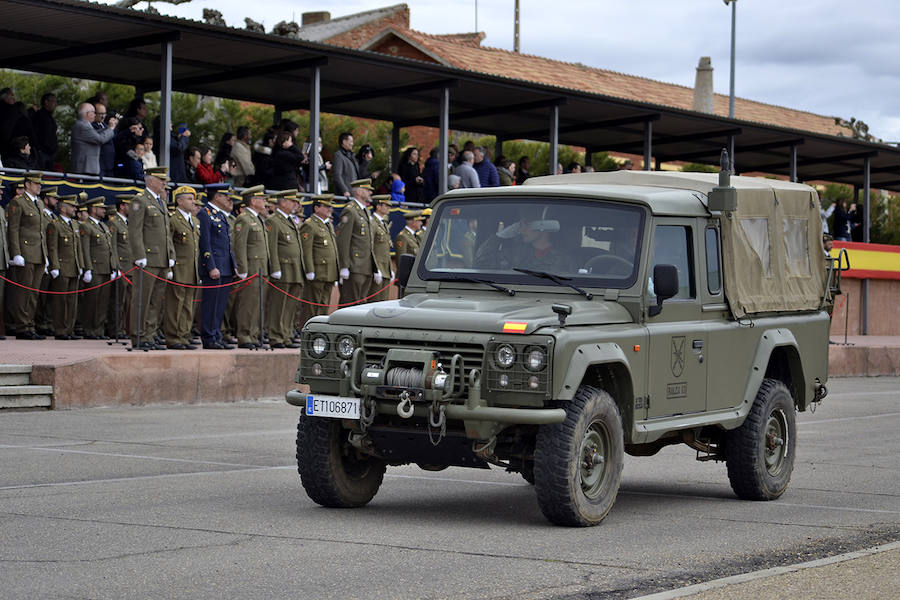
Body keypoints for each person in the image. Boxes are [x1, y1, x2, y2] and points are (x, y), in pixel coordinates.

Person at [128, 166, 176, 350]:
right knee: (142, 299)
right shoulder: (139, 200)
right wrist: (139, 255)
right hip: (148, 258)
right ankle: (139, 336)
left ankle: (150, 334)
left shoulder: (161, 202)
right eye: (161, 179)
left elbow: (166, 233)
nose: (164, 183)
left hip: (161, 259)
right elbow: (135, 231)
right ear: (149, 180)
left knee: (156, 301)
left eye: (165, 180)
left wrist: (170, 254)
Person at [6, 172, 48, 339]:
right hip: (25, 252)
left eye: (40, 184)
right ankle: (21, 326)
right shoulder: (18, 202)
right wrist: (16, 253)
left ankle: (29, 324)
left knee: (33, 292)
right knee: (23, 292)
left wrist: (46, 255)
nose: (39, 186)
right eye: (36, 183)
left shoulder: (39, 203)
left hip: (38, 253)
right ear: (28, 184)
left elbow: (41, 232)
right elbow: (13, 229)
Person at [197, 183, 238, 349]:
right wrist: (210, 266)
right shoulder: (205, 214)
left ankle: (216, 335)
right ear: (216, 196)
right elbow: (205, 243)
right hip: (214, 267)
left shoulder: (221, 215)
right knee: (211, 304)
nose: (227, 198)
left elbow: (227, 244)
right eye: (224, 195)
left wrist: (233, 264)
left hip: (225, 266)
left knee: (220, 305)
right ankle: (208, 337)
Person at [163, 186, 202, 350]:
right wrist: (170, 265)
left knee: (188, 305)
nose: (193, 202)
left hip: (192, 269)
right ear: (179, 201)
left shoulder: (195, 220)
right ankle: (173, 337)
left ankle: (184, 335)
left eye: (193, 199)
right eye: (189, 199)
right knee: (175, 305)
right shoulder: (173, 219)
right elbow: (168, 242)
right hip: (178, 268)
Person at [232, 185, 270, 349]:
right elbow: (239, 245)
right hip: (251, 268)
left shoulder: (258, 219)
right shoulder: (244, 218)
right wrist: (242, 269)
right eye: (262, 199)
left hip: (261, 268)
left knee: (257, 304)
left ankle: (254, 334)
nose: (265, 202)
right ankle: (245, 335)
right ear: (253, 201)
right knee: (248, 303)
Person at [265, 190, 304, 348]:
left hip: (294, 269)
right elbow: (272, 246)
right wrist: (275, 267)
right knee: (278, 306)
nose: (295, 204)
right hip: (283, 268)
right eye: (292, 201)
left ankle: (286, 334)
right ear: (283, 203)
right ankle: (276, 335)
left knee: (290, 306)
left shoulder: (289, 220)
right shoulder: (274, 221)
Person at [78, 196, 119, 339]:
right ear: (93, 209)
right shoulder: (86, 226)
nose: (104, 210)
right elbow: (85, 249)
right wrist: (87, 269)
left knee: (102, 302)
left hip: (106, 269)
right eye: (101, 208)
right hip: (95, 268)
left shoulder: (104, 226)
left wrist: (113, 267)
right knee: (92, 302)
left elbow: (110, 248)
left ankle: (99, 330)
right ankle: (89, 330)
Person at [47, 193, 85, 340]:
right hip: (62, 267)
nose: (75, 209)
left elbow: (78, 248)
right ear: (63, 209)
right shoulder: (55, 224)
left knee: (72, 301)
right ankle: (60, 330)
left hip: (74, 267)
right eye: (72, 206)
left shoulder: (74, 224)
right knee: (60, 301)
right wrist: (55, 266)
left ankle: (69, 329)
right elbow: (53, 248)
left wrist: (81, 265)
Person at [299, 194, 340, 324]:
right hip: (317, 271)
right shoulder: (310, 225)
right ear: (316, 208)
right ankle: (308, 329)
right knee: (312, 304)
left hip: (329, 272)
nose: (330, 209)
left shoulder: (328, 224)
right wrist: (309, 270)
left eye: (330, 206)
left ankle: (319, 330)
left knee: (324, 304)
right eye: (326, 206)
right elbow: (306, 250)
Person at [336, 178, 377, 305]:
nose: (370, 193)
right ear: (359, 192)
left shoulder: (366, 211)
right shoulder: (351, 210)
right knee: (350, 303)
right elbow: (343, 240)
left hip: (366, 266)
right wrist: (344, 266)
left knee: (361, 304)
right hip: (354, 266)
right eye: (367, 190)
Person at [106, 194, 133, 338]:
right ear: (122, 206)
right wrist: (115, 266)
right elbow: (113, 247)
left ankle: (126, 329)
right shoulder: (114, 223)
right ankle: (116, 329)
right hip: (121, 267)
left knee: (129, 302)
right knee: (118, 301)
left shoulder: (129, 223)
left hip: (131, 267)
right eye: (128, 205)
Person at [70, 103, 117, 175]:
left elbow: (96, 133)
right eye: (94, 113)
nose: (95, 115)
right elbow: (100, 139)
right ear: (88, 114)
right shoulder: (83, 126)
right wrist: (111, 128)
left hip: (87, 168)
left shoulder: (83, 124)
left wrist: (108, 128)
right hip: (85, 169)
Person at [369, 194, 394, 302]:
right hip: (377, 267)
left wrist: (390, 269)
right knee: (374, 301)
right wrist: (375, 269)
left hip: (385, 269)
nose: (388, 207)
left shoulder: (383, 223)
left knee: (383, 301)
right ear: (378, 207)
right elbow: (370, 247)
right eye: (385, 205)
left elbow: (385, 248)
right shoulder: (372, 222)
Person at [29, 93, 57, 170]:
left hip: (49, 154)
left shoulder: (49, 117)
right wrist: (39, 149)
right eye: (53, 101)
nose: (55, 104)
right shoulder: (39, 115)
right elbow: (34, 133)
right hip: (41, 154)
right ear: (46, 102)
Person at [331, 131, 358, 197]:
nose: (352, 144)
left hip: (353, 194)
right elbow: (337, 175)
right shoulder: (339, 155)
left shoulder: (351, 156)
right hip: (345, 196)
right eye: (351, 141)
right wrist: (344, 190)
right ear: (344, 142)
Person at [93, 104, 116, 178]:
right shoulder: (91, 125)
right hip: (100, 164)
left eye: (104, 114)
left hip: (110, 164)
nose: (103, 116)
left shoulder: (105, 125)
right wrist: (110, 128)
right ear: (94, 113)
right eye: (100, 114)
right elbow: (101, 138)